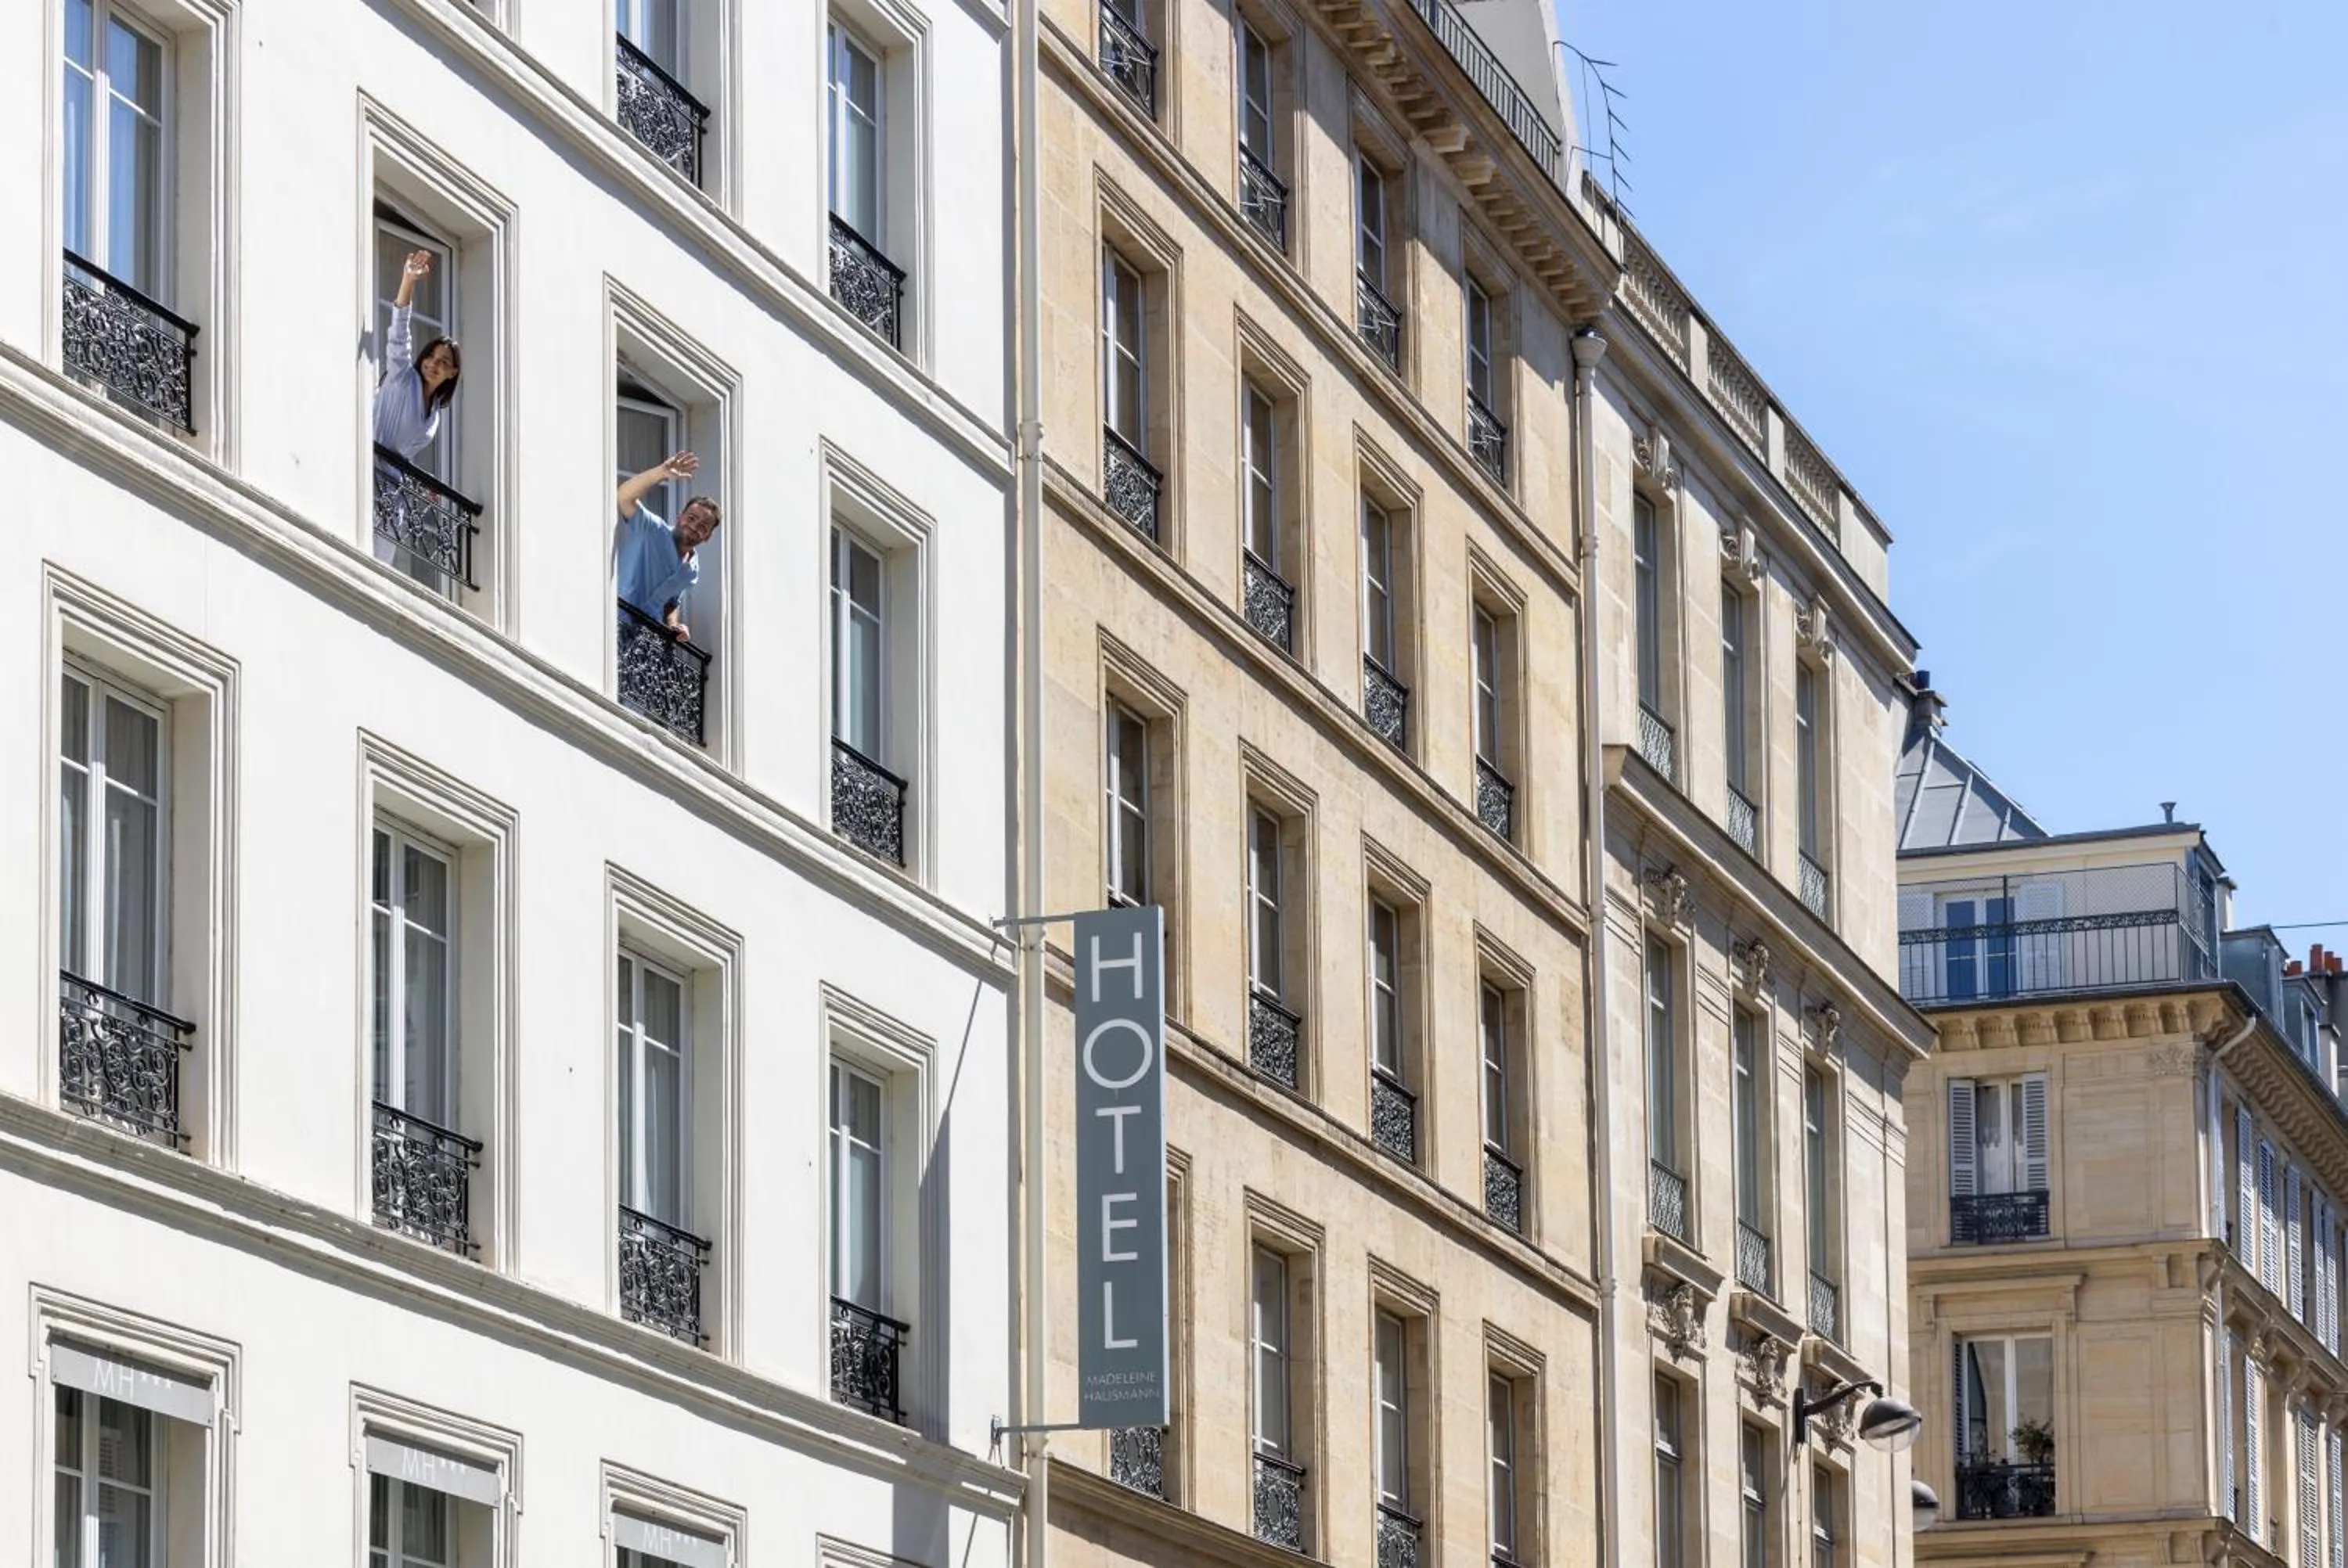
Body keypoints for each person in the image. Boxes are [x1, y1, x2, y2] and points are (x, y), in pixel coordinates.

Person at [615, 451, 722, 643]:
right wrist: (661, 473)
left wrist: (674, 625)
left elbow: (671, 601)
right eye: (691, 518)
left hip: (644, 644)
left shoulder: (692, 570)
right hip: (614, 621)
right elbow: (624, 496)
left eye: (703, 527)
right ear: (680, 517)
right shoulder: (652, 529)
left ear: (708, 537)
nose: (694, 527)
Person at [373, 250, 462, 460]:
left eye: (443, 361)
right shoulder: (403, 377)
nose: (433, 364)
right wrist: (408, 281)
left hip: (386, 488)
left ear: (452, 372)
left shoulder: (434, 415)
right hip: (363, 470)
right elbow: (399, 334)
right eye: (430, 356)